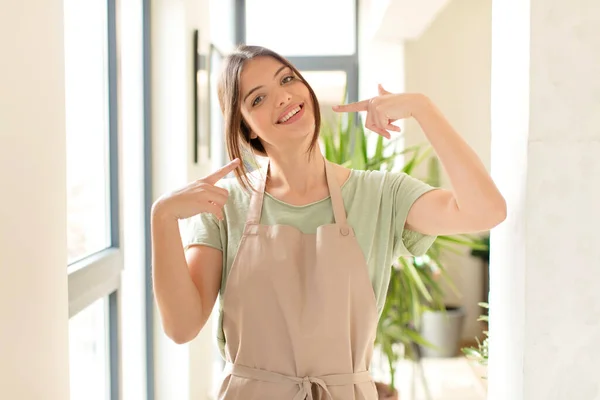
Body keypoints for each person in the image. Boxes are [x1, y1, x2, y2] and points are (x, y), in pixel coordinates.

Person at [150, 45, 507, 400]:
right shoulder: (226, 204)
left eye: (287, 79)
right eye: (258, 99)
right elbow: (182, 328)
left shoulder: (382, 195)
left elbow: (485, 211)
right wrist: (162, 218)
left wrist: (422, 108)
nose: (283, 97)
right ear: (245, 128)